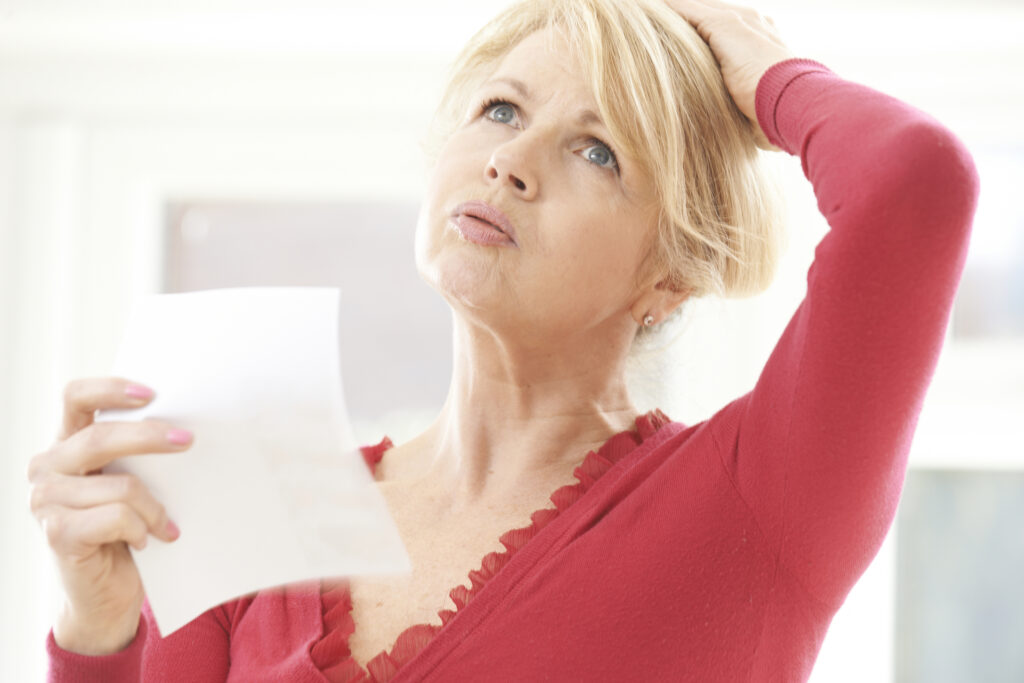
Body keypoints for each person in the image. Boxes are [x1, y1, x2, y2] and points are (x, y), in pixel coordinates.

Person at [29, 0, 979, 680]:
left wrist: (755, 57)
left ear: (670, 275)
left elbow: (916, 185)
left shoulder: (756, 510)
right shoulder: (262, 506)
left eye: (596, 150)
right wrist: (101, 630)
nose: (511, 161)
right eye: (502, 109)